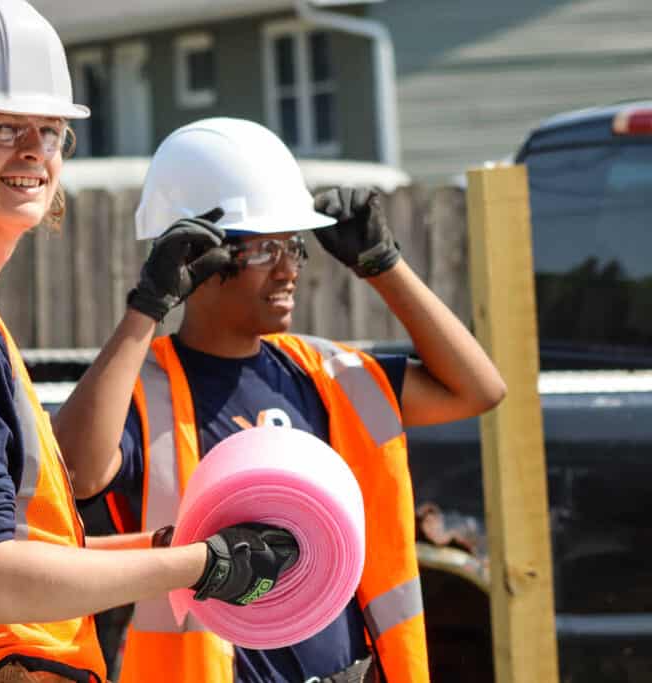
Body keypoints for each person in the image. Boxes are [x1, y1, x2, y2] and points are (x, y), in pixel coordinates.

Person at [0, 6, 297, 683]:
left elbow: (16, 551)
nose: (33, 151)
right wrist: (202, 565)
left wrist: (174, 549)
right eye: (0, 127)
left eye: (49, 131)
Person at [54, 118, 507, 683]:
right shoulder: (144, 389)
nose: (290, 268)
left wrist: (384, 265)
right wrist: (147, 306)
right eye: (266, 249)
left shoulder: (327, 375)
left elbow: (479, 389)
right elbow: (75, 473)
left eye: (293, 246)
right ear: (196, 254)